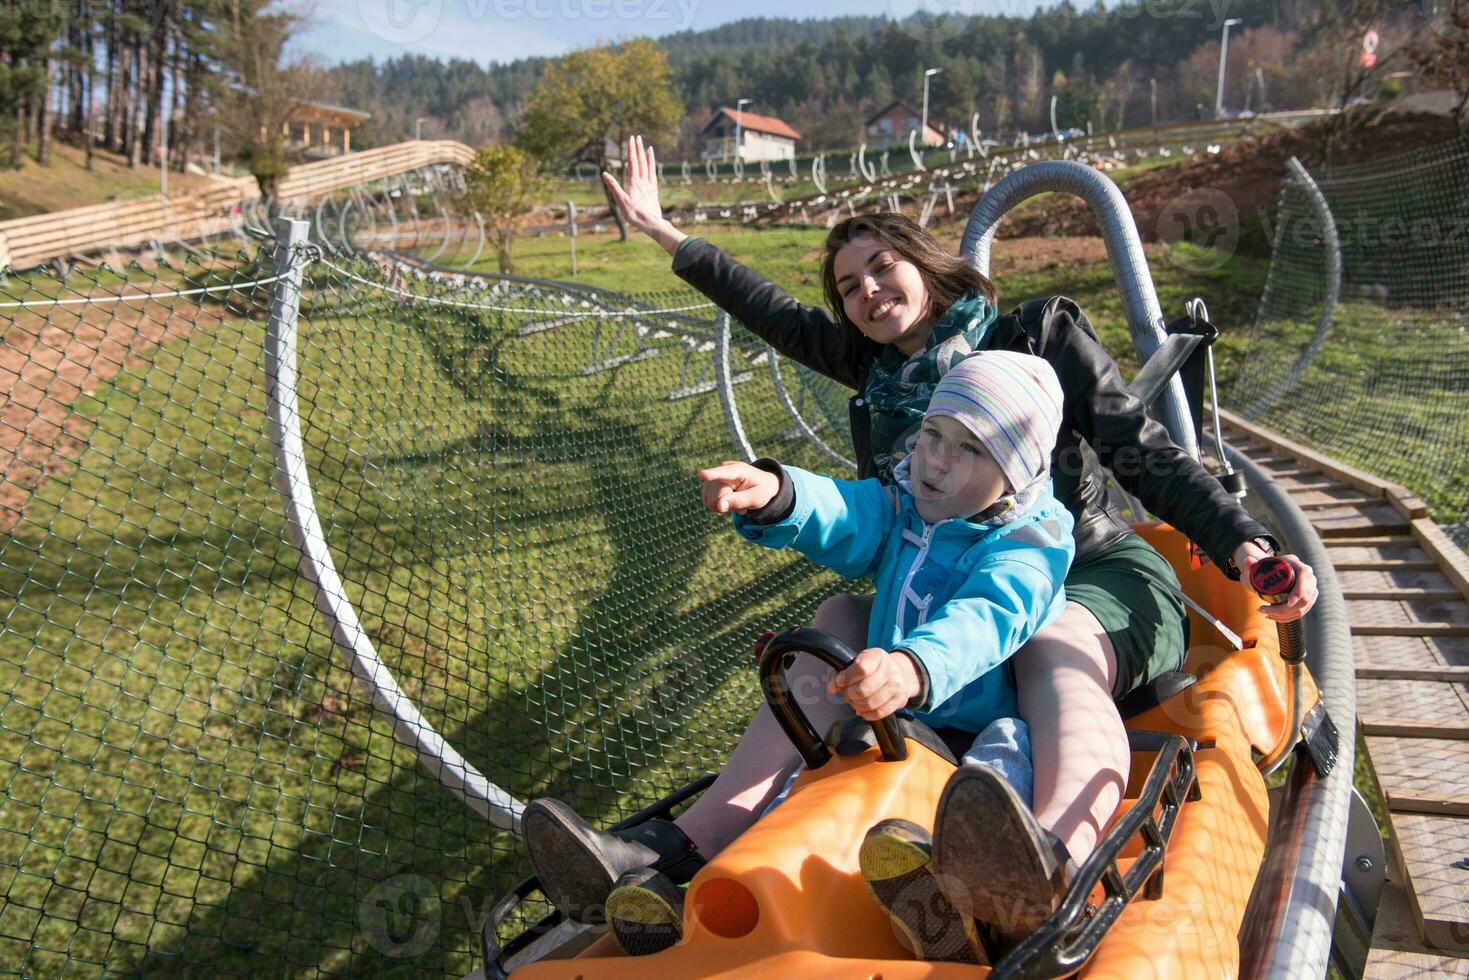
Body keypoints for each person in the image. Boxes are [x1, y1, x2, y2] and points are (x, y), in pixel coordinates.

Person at [522, 136, 1320, 960]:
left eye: (880, 268)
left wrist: (1244, 543)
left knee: (1049, 638)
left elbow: (1142, 451)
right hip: (946, 600)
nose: (866, 292)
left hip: (1075, 572)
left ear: (922, 262)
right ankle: (674, 850)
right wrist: (663, 235)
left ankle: (1054, 858)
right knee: (834, 618)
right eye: (846, 287)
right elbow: (775, 324)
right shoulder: (877, 374)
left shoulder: (1031, 336)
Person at [526, 352, 1074, 958]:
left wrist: (913, 666)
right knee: (808, 778)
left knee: (1004, 759)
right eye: (932, 435)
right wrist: (780, 495)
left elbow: (993, 615)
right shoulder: (906, 505)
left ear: (1017, 474)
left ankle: (976, 899)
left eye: (970, 450)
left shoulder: (1031, 541)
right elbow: (850, 512)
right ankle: (693, 871)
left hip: (959, 730)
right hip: (885, 718)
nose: (937, 462)